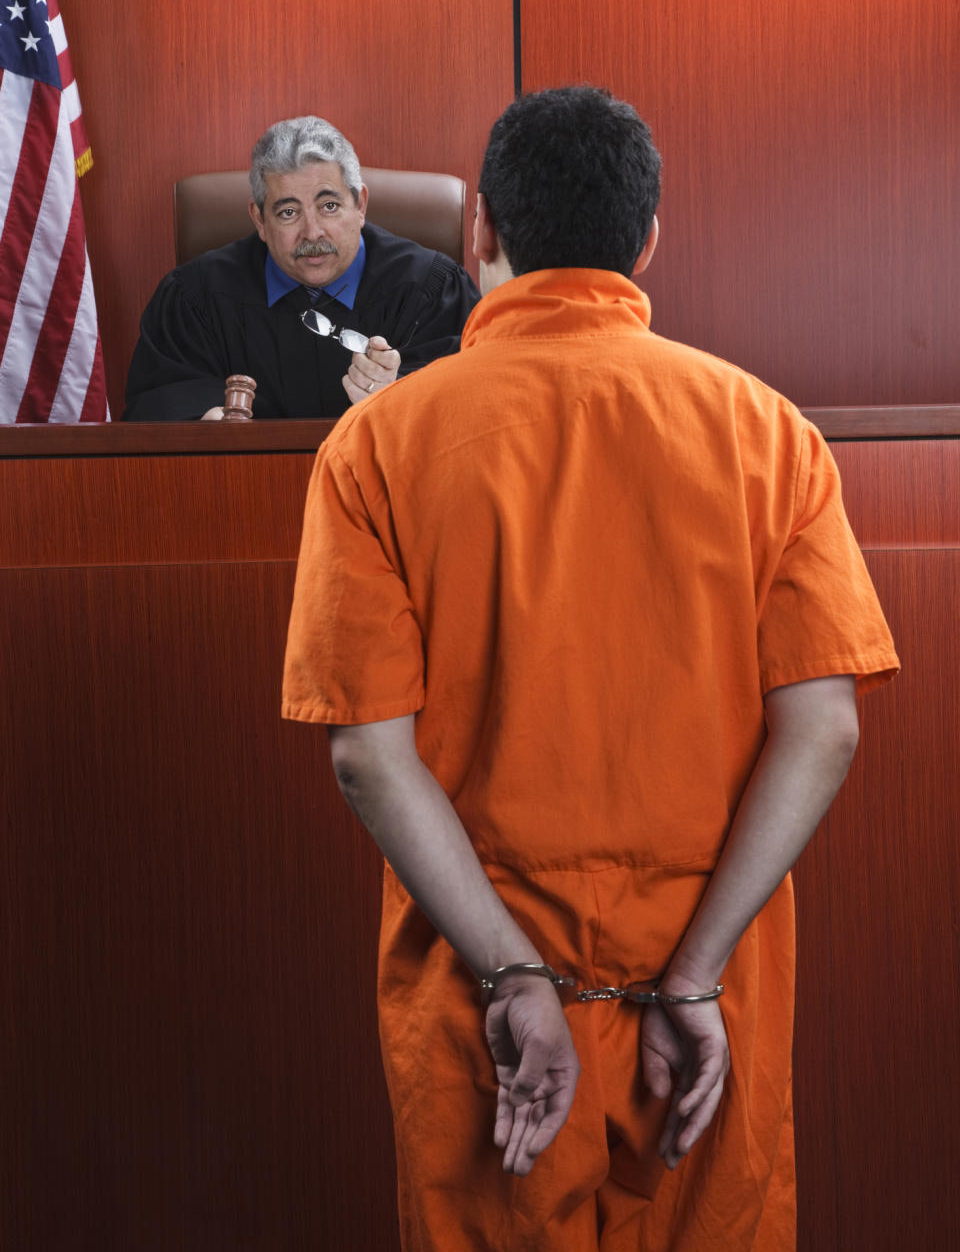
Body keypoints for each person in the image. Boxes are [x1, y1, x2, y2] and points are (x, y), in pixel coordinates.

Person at [281, 87, 899, 1250]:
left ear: (480, 231)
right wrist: (695, 978)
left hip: (487, 1010)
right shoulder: (768, 435)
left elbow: (370, 753)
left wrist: (518, 976)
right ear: (649, 239)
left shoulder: (374, 448)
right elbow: (825, 729)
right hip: (703, 1001)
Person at [123, 116, 479, 420]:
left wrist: (402, 396)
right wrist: (201, 424)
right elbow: (156, 407)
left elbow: (473, 404)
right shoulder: (195, 300)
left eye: (329, 206)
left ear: (360, 205)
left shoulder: (432, 291)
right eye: (288, 212)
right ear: (259, 220)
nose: (312, 233)